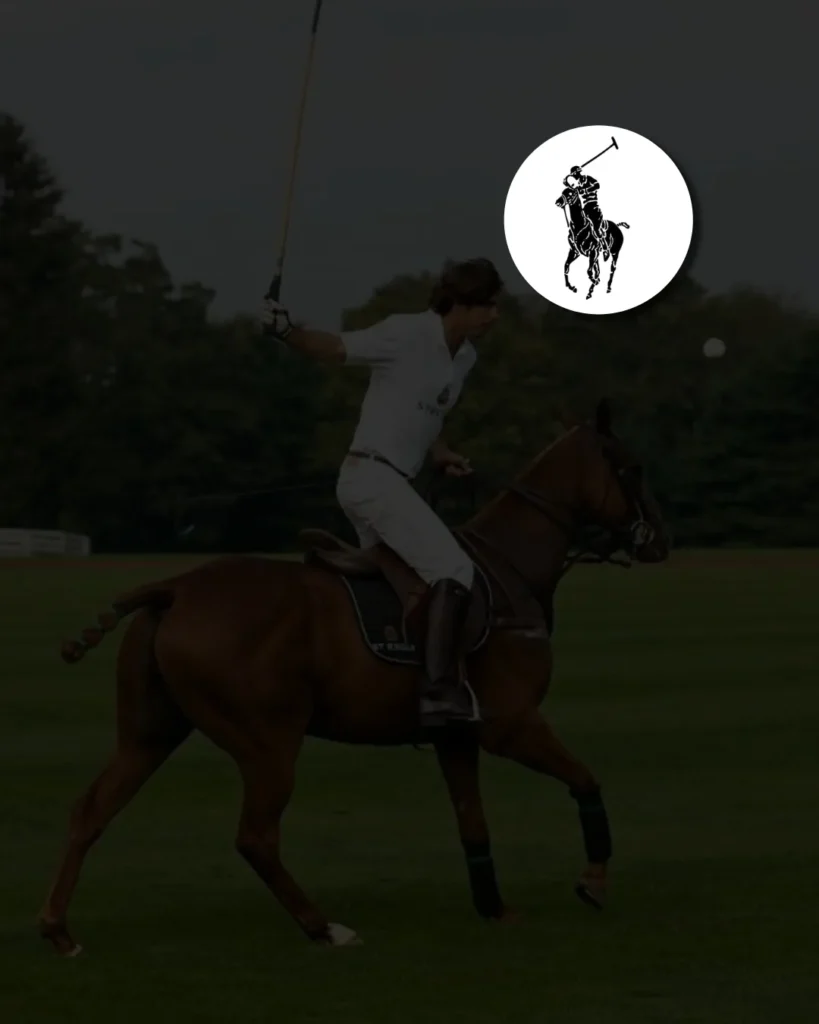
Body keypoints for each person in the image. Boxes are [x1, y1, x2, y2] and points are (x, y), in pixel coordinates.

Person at [261, 258, 503, 728]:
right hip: (372, 481)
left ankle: (386, 678)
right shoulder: (405, 333)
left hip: (389, 483)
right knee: (454, 570)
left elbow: (428, 413)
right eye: (486, 306)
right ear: (458, 304)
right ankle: (439, 694)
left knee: (409, 583)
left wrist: (441, 453)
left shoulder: (465, 357)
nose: (494, 316)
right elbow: (335, 349)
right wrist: (287, 331)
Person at [569, 165, 610, 257]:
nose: (574, 176)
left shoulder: (588, 178)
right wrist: (565, 180)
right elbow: (569, 187)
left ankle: (605, 247)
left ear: (578, 172)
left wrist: (586, 191)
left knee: (596, 229)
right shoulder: (577, 184)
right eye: (573, 175)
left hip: (593, 207)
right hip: (584, 209)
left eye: (574, 174)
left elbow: (597, 185)